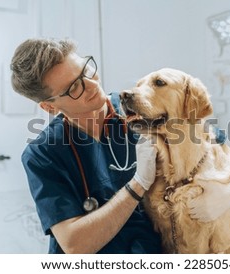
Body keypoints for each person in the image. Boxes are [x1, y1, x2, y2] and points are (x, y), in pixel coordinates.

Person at [10, 38, 161, 254]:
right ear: (49, 107)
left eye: (86, 70)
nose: (91, 85)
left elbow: (211, 144)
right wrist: (138, 184)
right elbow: (75, 245)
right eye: (74, 87)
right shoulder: (43, 153)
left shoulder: (141, 107)